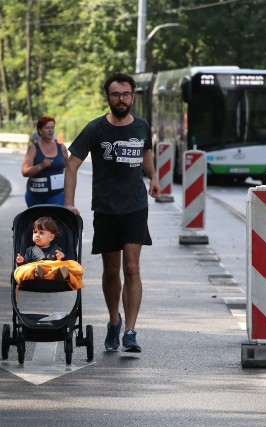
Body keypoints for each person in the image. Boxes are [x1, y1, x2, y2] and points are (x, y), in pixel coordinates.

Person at [64, 72, 161, 353]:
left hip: (135, 207)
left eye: (126, 94)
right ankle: (114, 320)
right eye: (116, 94)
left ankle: (130, 331)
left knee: (132, 267)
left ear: (132, 96)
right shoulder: (96, 129)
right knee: (111, 270)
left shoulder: (142, 126)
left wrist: (153, 177)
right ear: (108, 98)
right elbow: (71, 166)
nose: (121, 99)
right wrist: (69, 204)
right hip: (106, 208)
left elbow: (145, 154)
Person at [14, 216, 84, 291]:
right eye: (35, 232)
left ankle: (61, 275)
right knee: (24, 269)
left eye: (41, 233)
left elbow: (68, 261)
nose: (37, 235)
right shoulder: (30, 250)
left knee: (72, 265)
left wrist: (62, 257)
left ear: (51, 237)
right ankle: (38, 274)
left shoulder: (57, 249)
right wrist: (21, 261)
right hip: (36, 271)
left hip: (53, 271)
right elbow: (26, 264)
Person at [21, 116, 68, 207]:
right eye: (47, 128)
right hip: (36, 195)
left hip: (57, 193)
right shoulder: (33, 148)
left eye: (52, 127)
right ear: (40, 130)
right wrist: (40, 166)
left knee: (54, 218)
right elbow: (24, 171)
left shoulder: (61, 147)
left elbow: (70, 168)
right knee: (39, 221)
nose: (50, 130)